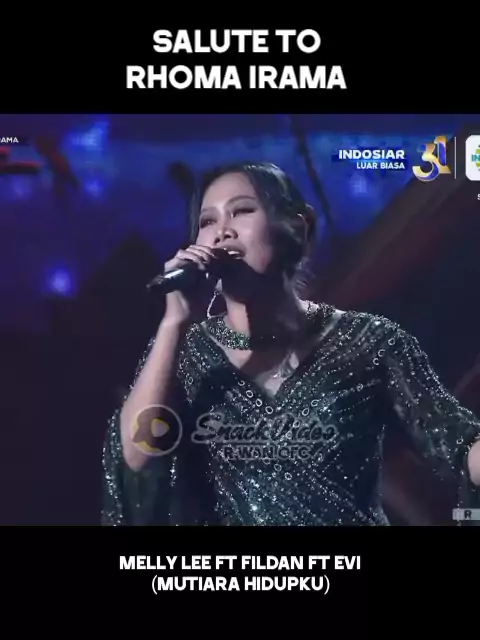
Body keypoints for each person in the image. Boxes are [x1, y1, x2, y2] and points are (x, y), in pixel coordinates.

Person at [102, 161, 480, 526]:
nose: (221, 232)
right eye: (207, 221)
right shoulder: (186, 354)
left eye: (241, 211)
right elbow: (137, 458)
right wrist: (174, 321)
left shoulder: (368, 341)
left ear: (298, 227)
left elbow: (456, 441)